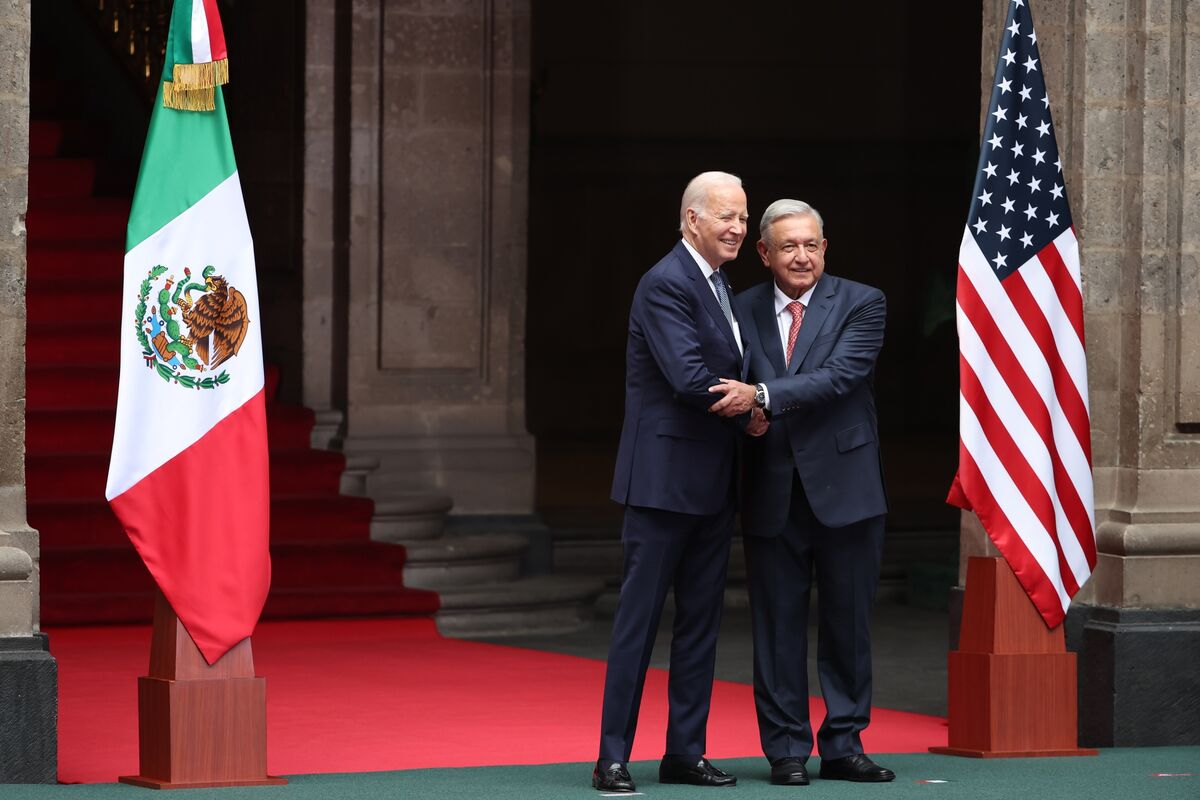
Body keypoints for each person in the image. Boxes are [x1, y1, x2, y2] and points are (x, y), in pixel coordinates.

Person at [708, 199, 894, 785]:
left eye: (812, 245)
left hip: (846, 489)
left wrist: (761, 398)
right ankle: (785, 750)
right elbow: (726, 391)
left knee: (848, 625)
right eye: (788, 246)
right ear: (763, 253)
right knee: (777, 628)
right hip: (773, 489)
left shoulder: (862, 301)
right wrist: (748, 417)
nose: (802, 256)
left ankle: (844, 745)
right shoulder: (738, 310)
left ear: (825, 248)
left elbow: (842, 376)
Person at [594, 171, 767, 793]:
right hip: (663, 484)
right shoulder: (665, 282)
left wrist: (754, 402)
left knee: (701, 624)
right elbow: (689, 377)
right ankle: (611, 757)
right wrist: (756, 406)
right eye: (727, 216)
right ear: (691, 218)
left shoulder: (721, 285)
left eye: (744, 218)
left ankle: (684, 754)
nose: (739, 228)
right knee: (637, 624)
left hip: (715, 485)